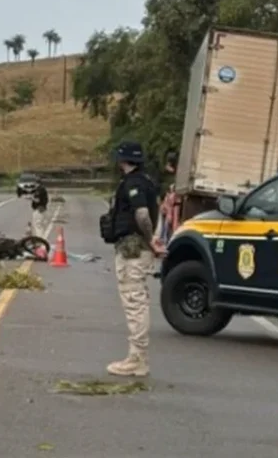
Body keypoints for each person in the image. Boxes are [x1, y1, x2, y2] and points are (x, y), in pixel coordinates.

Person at [106, 141, 166, 377]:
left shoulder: (134, 184)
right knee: (137, 300)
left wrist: (151, 239)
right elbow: (156, 211)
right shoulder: (148, 181)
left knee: (134, 301)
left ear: (123, 160)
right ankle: (137, 356)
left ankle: (137, 358)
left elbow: (142, 214)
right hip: (138, 249)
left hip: (133, 249)